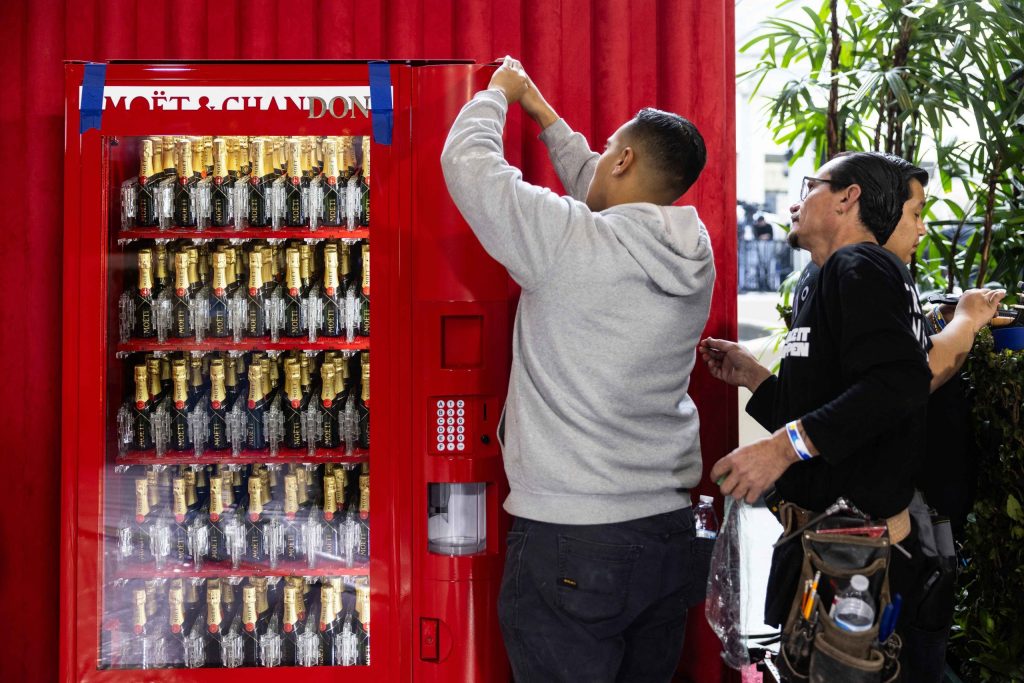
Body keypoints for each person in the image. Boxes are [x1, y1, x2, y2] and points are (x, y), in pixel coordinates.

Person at [441, 56, 714, 682]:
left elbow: (469, 166)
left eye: (612, 149)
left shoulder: (568, 242)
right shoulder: (694, 256)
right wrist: (542, 113)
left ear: (622, 161)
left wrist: (498, 95)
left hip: (574, 538)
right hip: (668, 533)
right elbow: (604, 185)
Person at [699, 152, 1003, 681]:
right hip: (819, 545)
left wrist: (778, 448)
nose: (795, 200)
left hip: (856, 556)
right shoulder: (819, 278)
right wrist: (753, 376)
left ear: (847, 196)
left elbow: (896, 385)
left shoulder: (861, 264)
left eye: (810, 186)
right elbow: (830, 411)